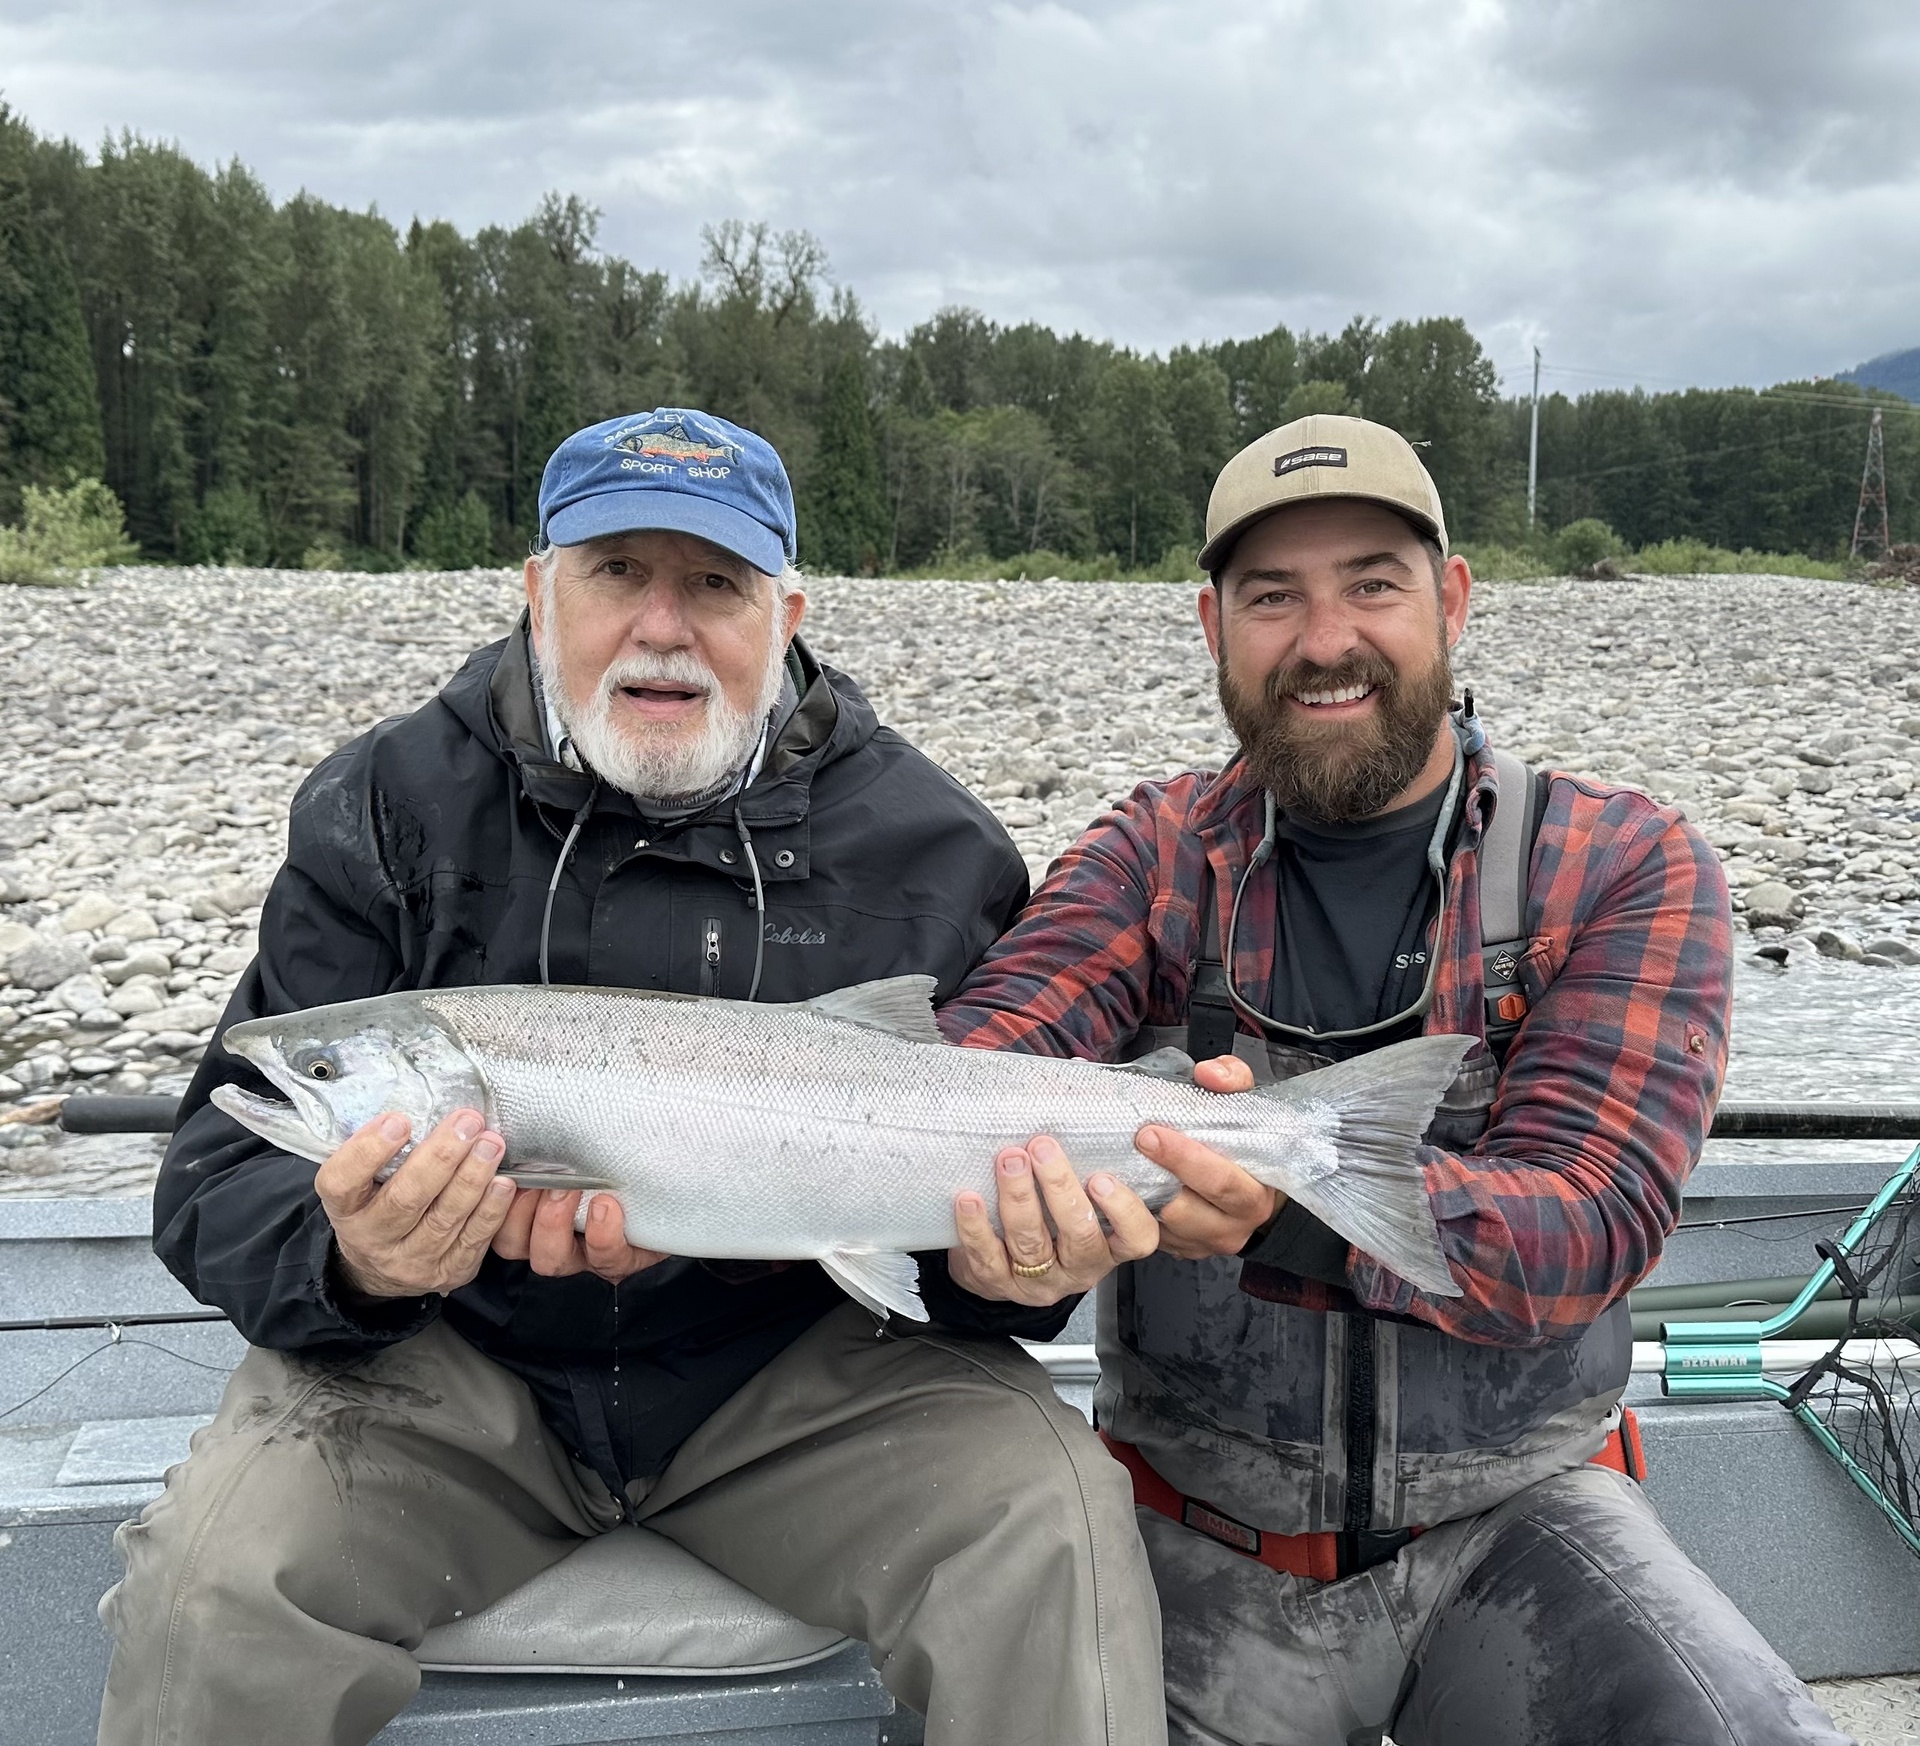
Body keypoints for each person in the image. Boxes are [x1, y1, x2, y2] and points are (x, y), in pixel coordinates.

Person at [99, 407, 1164, 1746]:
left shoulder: (932, 847)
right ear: (538, 589)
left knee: (1053, 1524)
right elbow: (214, 1183)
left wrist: (1022, 1268)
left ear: (786, 608)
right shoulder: (386, 804)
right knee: (219, 1582)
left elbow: (981, 1232)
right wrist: (360, 1256)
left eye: (713, 583)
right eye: (615, 574)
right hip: (448, 1369)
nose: (662, 626)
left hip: (806, 1370)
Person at [940, 414, 1848, 1744]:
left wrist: (1281, 1206)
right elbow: (983, 1065)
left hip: (1526, 1523)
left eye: (1372, 581)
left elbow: (1586, 1222)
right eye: (1272, 597)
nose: (1324, 640)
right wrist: (994, 1250)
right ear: (1212, 625)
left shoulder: (1622, 865)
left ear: (1454, 598)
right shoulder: (1150, 854)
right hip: (1185, 1539)